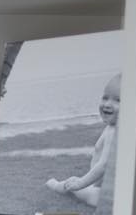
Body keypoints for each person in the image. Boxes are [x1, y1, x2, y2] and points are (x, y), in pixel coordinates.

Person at [45, 74, 120, 207]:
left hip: (105, 192)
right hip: (102, 185)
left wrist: (81, 183)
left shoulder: (114, 131)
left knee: (79, 188)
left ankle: (57, 186)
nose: (107, 104)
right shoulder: (114, 128)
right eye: (105, 97)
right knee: (79, 184)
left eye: (117, 100)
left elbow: (104, 165)